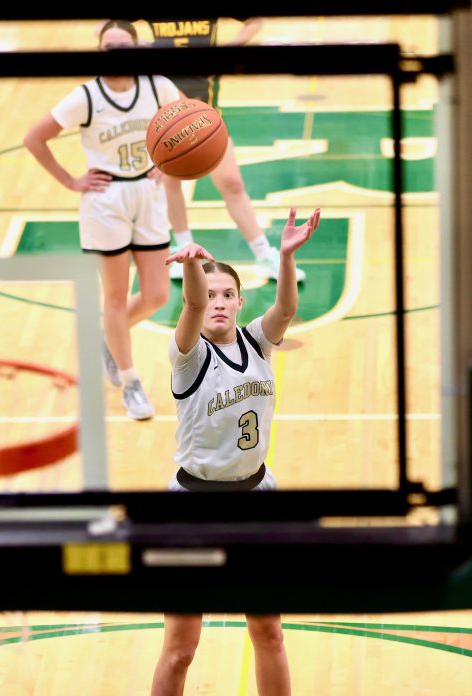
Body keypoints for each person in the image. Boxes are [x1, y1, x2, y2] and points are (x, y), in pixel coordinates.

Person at [151, 206, 320, 696]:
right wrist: (190, 267)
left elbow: (285, 309)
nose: (218, 302)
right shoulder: (188, 356)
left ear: (241, 302)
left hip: (256, 499)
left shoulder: (259, 344)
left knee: (268, 631)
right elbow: (191, 308)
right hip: (192, 505)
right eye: (211, 295)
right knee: (181, 647)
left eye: (228, 294)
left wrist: (285, 256)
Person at [23, 20, 180, 420]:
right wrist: (71, 181)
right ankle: (131, 383)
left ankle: (110, 336)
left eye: (122, 46)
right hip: (105, 201)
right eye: (108, 47)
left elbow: (186, 123)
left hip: (147, 193)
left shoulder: (157, 86)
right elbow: (34, 138)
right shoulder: (86, 97)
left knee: (158, 295)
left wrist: (169, 159)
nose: (115, 53)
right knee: (114, 296)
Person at [145, 17, 307, 283]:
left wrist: (225, 52)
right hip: (169, 120)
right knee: (171, 186)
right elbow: (106, 29)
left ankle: (265, 256)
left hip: (205, 119)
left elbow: (255, 22)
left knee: (232, 184)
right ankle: (184, 252)